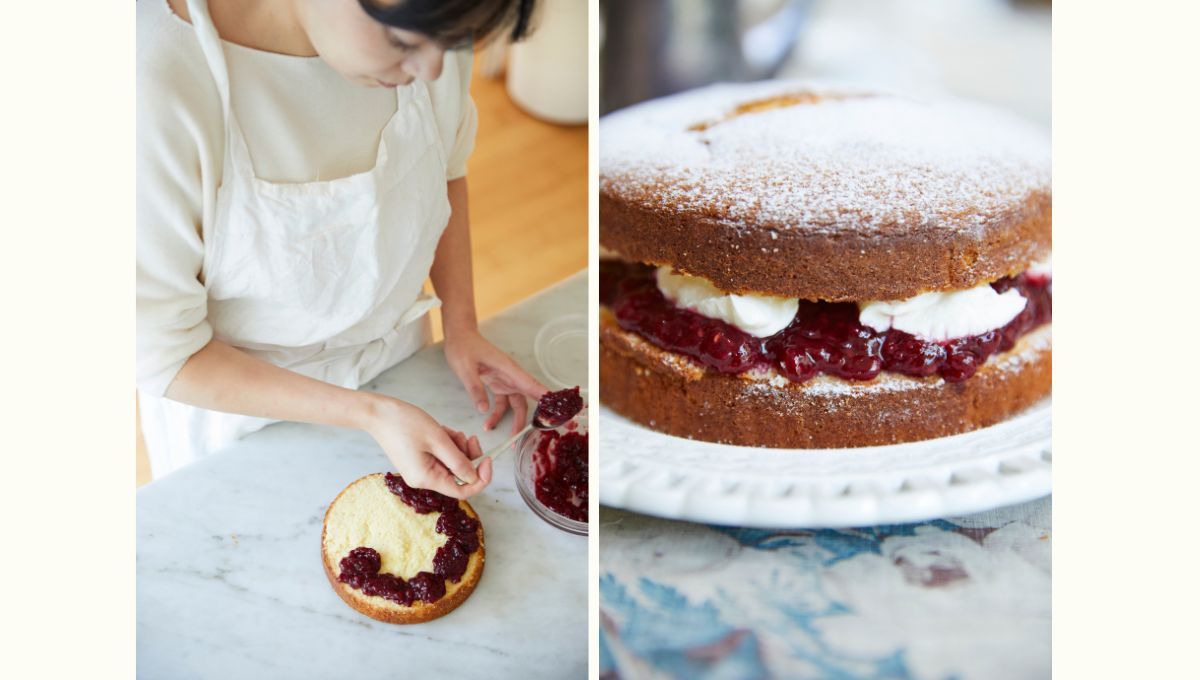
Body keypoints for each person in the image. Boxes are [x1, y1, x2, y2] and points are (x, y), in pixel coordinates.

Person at [136, 0, 544, 498]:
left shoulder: (431, 28)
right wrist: (370, 414)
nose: (434, 69)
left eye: (455, 41)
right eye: (403, 42)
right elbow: (165, 354)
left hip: (400, 377)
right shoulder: (156, 84)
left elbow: (445, 167)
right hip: (241, 420)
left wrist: (461, 326)